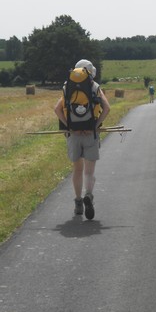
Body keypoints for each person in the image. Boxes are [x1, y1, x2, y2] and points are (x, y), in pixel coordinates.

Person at [54, 59, 110, 219]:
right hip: (90, 134)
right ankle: (89, 195)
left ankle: (78, 202)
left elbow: (57, 109)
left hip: (73, 135)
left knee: (77, 170)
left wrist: (68, 126)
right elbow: (107, 108)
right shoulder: (95, 87)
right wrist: (95, 125)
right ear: (91, 72)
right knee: (89, 171)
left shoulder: (67, 86)